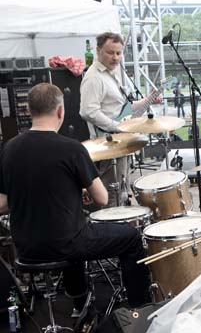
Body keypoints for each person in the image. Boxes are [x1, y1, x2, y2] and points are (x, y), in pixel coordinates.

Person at [0, 83, 151, 313]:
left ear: (29, 111)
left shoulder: (9, 149)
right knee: (129, 237)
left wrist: (42, 195)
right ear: (61, 111)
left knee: (69, 227)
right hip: (66, 245)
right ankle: (140, 308)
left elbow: (2, 204)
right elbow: (101, 198)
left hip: (26, 248)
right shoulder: (71, 149)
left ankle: (80, 304)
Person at [80, 32, 162, 207]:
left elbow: (123, 107)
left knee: (121, 189)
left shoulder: (110, 73)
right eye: (110, 52)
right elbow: (87, 111)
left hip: (118, 140)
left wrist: (148, 99)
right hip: (107, 143)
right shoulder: (94, 77)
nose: (115, 57)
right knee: (111, 192)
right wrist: (116, 127)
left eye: (119, 53)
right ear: (98, 51)